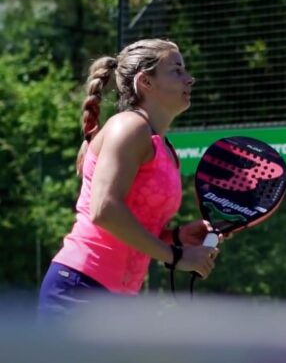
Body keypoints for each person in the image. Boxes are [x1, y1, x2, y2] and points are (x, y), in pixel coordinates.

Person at [38, 39, 220, 319]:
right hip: (79, 291)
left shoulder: (165, 149)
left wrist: (176, 237)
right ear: (145, 81)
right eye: (177, 70)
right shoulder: (128, 127)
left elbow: (132, 226)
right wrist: (176, 256)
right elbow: (104, 211)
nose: (189, 78)